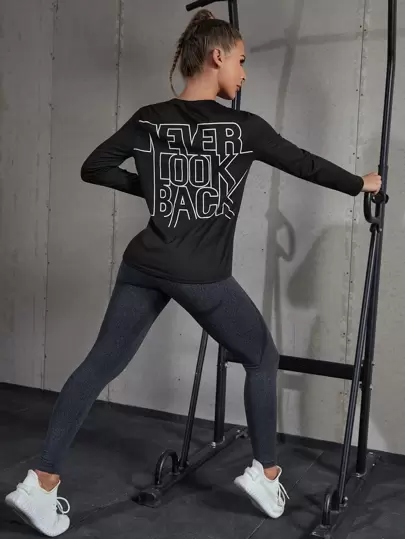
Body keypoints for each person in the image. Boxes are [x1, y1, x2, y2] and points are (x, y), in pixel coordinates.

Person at [5, 9, 382, 537]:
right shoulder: (244, 130)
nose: (244, 74)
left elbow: (95, 166)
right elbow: (304, 163)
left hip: (143, 263)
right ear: (217, 56)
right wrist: (361, 183)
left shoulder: (149, 119)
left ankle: (40, 482)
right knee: (262, 357)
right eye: (241, 61)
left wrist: (155, 191)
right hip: (198, 273)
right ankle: (266, 473)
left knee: (98, 366)